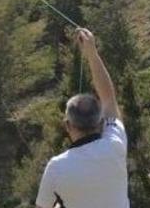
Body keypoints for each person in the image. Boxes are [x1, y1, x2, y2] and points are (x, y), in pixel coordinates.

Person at [36, 28, 130, 208]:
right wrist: (92, 53)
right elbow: (109, 99)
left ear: (67, 126)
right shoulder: (115, 144)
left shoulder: (56, 167)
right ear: (100, 121)